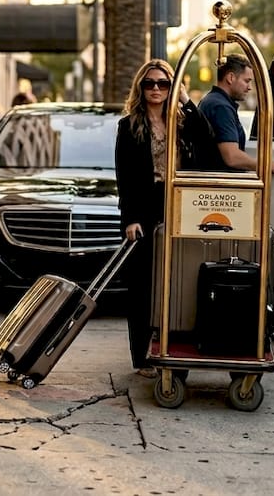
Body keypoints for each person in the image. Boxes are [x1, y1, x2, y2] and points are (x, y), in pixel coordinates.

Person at [114, 59, 179, 376]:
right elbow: (123, 177)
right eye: (150, 83)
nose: (156, 89)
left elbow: (208, 143)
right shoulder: (128, 126)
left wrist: (186, 100)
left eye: (163, 84)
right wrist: (129, 218)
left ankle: (172, 348)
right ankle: (141, 356)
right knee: (141, 284)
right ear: (140, 87)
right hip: (144, 206)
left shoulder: (181, 122)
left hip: (178, 204)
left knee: (174, 279)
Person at [197, 55, 274, 173]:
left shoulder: (212, 101)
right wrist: (266, 165)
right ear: (231, 78)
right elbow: (232, 157)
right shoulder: (221, 107)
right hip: (221, 187)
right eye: (247, 81)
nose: (250, 87)